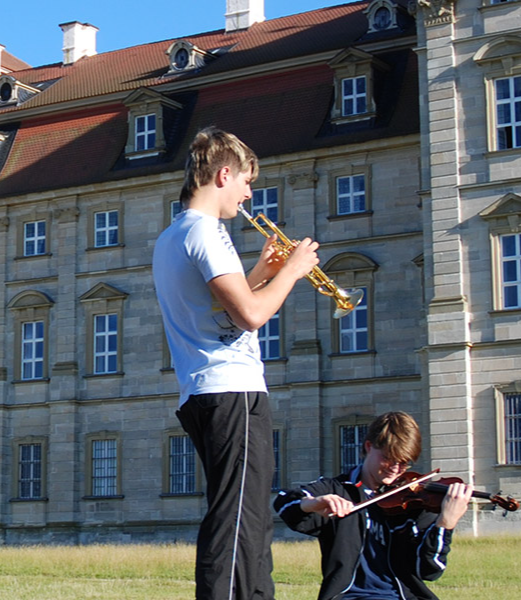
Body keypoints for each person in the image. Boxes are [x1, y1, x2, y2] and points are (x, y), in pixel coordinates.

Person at [153, 126, 320, 600]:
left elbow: (218, 314)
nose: (249, 194)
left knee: (249, 515)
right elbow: (250, 315)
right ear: (224, 175)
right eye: (247, 181)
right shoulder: (207, 231)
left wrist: (262, 273)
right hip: (231, 391)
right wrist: (292, 271)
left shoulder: (173, 235)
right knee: (238, 518)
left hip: (206, 390)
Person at [273, 412, 474, 600]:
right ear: (369, 446)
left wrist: (445, 523)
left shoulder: (416, 501)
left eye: (404, 463)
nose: (395, 469)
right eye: (387, 458)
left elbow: (429, 571)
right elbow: (284, 502)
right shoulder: (338, 489)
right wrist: (313, 503)